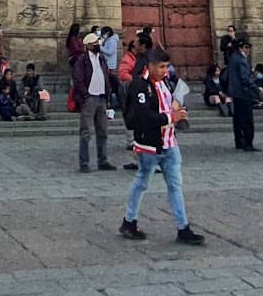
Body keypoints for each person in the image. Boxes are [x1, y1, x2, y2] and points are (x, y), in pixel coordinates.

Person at [119, 45, 205, 244]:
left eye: (167, 66)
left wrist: (178, 111)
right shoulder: (140, 86)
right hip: (150, 146)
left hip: (170, 143)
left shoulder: (165, 83)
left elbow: (167, 107)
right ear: (150, 65)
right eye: (161, 67)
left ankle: (183, 228)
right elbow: (145, 116)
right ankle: (129, 221)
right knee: (142, 182)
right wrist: (171, 116)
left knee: (175, 185)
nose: (165, 71)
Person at [71, 30, 117, 171]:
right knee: (86, 131)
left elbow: (105, 75)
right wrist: (85, 95)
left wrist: (108, 93)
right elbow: (78, 79)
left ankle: (102, 160)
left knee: (102, 131)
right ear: (88, 45)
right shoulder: (82, 60)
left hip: (102, 98)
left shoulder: (101, 58)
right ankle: (84, 163)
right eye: (95, 42)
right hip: (89, 98)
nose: (98, 44)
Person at [225, 36, 257, 152]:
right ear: (240, 48)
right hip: (243, 93)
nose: (248, 50)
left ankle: (239, 141)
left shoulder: (233, 58)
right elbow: (244, 78)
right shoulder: (241, 60)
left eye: (249, 47)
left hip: (235, 93)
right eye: (246, 47)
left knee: (238, 119)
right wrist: (256, 89)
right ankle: (248, 143)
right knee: (247, 119)